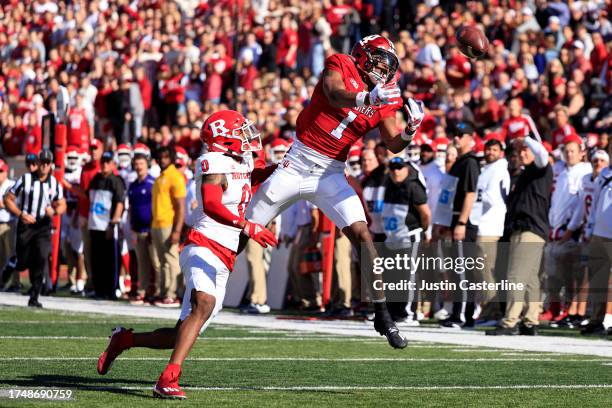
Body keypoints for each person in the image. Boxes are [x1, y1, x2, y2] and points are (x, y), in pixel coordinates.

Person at [242, 35, 425, 349]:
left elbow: (393, 144)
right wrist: (368, 98)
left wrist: (410, 130)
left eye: (388, 64)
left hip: (332, 173)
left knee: (363, 235)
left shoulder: (386, 96)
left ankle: (382, 313)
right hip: (298, 162)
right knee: (245, 227)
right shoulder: (341, 63)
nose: (383, 68)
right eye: (379, 59)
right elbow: (333, 92)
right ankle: (204, 287)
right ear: (362, 54)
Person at [96, 110, 278, 399]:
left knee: (181, 332)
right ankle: (167, 379)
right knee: (203, 304)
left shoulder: (240, 161)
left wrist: (283, 169)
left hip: (226, 254)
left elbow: (251, 180)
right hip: (203, 243)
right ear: (222, 137)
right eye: (239, 131)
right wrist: (248, 224)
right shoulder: (213, 161)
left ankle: (124, 339)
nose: (246, 137)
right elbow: (212, 204)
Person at [487, 136, 553, 336]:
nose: (522, 153)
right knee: (531, 279)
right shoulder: (525, 174)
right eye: (520, 150)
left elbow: (542, 154)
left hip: (530, 230)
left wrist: (526, 138)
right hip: (524, 230)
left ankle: (510, 321)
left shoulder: (541, 169)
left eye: (526, 150)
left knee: (515, 276)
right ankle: (531, 321)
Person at [3, 149, 66, 307]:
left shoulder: (54, 184)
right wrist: (20, 214)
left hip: (43, 226)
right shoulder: (25, 179)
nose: (44, 166)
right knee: (23, 262)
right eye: (41, 162)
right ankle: (14, 262)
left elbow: (62, 204)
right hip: (26, 225)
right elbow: (8, 199)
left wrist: (55, 211)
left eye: (47, 163)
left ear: (51, 165)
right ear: (37, 163)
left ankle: (34, 296)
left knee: (42, 257)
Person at [439, 122, 480, 329]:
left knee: (463, 270)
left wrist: (462, 222)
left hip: (465, 221)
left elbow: (470, 194)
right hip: (455, 219)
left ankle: (463, 314)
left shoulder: (470, 162)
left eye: (461, 134)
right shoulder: (459, 161)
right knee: (457, 270)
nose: (457, 138)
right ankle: (459, 312)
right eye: (456, 134)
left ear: (471, 137)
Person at [382, 157, 430, 324]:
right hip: (393, 236)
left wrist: (422, 231)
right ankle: (394, 311)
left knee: (408, 274)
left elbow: (425, 214)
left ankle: (408, 312)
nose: (396, 171)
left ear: (407, 169)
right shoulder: (389, 185)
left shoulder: (413, 186)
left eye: (399, 168)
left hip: (410, 235)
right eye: (393, 168)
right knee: (392, 275)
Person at [471, 139, 510, 324]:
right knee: (482, 272)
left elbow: (491, 198)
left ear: (501, 152)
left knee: (486, 272)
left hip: (491, 225)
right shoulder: (488, 168)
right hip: (484, 224)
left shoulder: (499, 169)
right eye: (488, 149)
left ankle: (492, 311)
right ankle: (488, 310)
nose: (490, 152)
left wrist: (472, 194)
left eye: (495, 149)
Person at [87, 152, 126, 299]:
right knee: (96, 259)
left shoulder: (115, 181)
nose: (104, 164)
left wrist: (113, 223)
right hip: (94, 224)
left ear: (113, 164)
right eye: (103, 161)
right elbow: (88, 197)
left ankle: (111, 290)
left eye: (108, 161)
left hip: (107, 225)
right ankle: (99, 290)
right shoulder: (96, 179)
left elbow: (120, 203)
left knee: (110, 260)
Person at [151, 146, 186, 307]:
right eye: (161, 157)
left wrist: (177, 230)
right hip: (157, 223)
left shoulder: (175, 176)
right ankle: (165, 292)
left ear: (171, 158)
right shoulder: (160, 177)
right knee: (163, 261)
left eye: (166, 157)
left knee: (171, 259)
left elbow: (180, 206)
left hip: (168, 223)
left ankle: (172, 294)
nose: (163, 160)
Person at [128, 153, 160, 304]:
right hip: (138, 230)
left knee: (156, 262)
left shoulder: (152, 184)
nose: (138, 166)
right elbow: (131, 208)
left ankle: (160, 291)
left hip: (151, 229)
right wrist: (132, 227)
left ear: (147, 165)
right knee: (142, 263)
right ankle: (143, 291)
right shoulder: (133, 185)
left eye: (141, 163)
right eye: (136, 164)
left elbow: (156, 207)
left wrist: (153, 229)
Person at [0, 159, 16, 289]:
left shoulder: (11, 185)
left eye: (1, 171)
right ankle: (1, 281)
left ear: (5, 172)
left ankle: (15, 282)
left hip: (9, 223)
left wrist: (4, 204)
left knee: (11, 254)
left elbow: (14, 204)